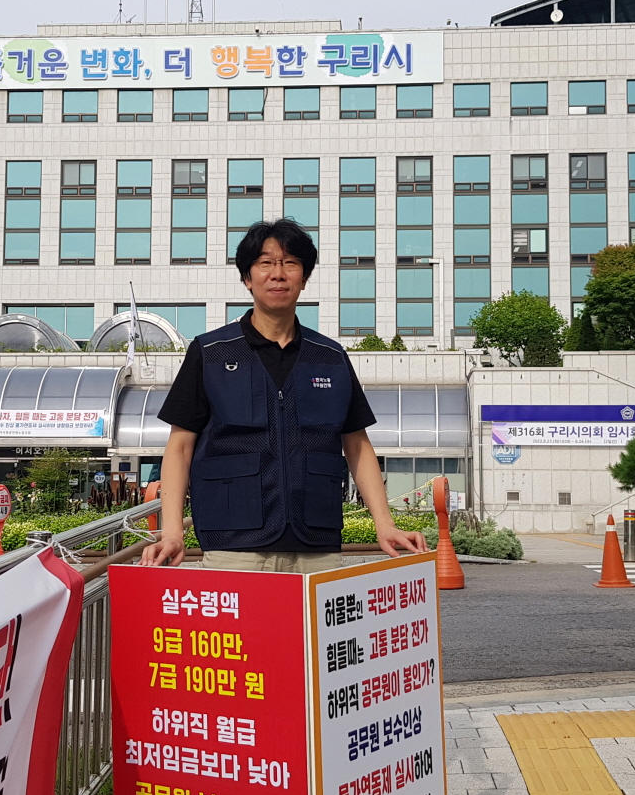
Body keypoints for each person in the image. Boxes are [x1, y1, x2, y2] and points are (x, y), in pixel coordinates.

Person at [139, 219, 428, 571]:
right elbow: (180, 445)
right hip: (234, 544)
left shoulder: (331, 357)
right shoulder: (210, 352)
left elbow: (356, 444)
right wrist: (172, 531)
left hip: (317, 544)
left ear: (304, 279)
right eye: (265, 263)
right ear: (247, 278)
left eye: (290, 263)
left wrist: (385, 525)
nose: (278, 274)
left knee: (314, 629)